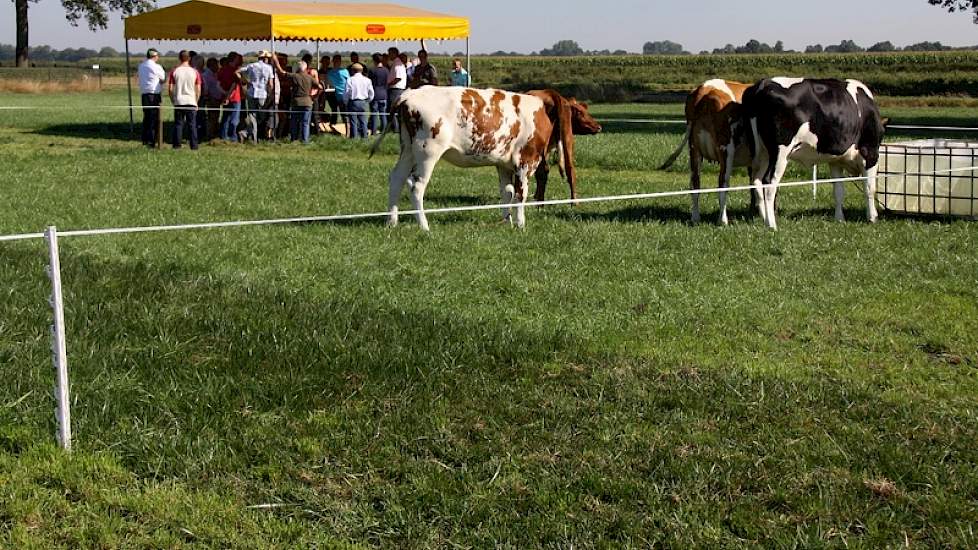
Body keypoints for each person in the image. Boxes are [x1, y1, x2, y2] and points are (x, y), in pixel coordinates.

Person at [271, 55, 315, 144]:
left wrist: (276, 62)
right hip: (307, 102)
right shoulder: (310, 77)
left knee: (294, 122)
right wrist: (312, 95)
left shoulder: (295, 76)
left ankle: (294, 139)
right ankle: (305, 141)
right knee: (305, 123)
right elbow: (320, 86)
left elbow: (282, 72)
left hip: (296, 102)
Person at [168, 50, 201, 150]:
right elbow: (198, 89)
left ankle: (177, 145)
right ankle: (194, 146)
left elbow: (170, 88)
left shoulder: (174, 71)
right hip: (191, 101)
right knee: (192, 125)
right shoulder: (195, 72)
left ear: (179, 58)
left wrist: (173, 100)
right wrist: (196, 101)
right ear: (189, 58)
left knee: (178, 124)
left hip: (179, 101)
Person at [240, 51, 274, 143]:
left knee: (253, 116)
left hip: (251, 93)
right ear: (265, 58)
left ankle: (249, 135)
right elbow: (270, 84)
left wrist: (246, 81)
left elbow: (238, 71)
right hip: (262, 94)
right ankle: (252, 136)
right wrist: (270, 94)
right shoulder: (269, 68)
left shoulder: (251, 66)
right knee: (261, 116)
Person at [137, 48, 166, 146]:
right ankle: (152, 140)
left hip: (144, 94)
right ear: (155, 56)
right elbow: (163, 79)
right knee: (154, 118)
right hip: (154, 94)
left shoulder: (141, 66)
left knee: (146, 117)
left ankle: (145, 139)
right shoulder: (157, 67)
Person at [217, 52, 243, 141]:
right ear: (234, 59)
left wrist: (224, 94)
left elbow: (218, 84)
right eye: (237, 58)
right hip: (235, 97)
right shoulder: (235, 71)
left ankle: (223, 135)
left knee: (225, 117)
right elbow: (234, 85)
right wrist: (228, 95)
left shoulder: (222, 70)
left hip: (225, 97)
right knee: (234, 119)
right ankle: (233, 137)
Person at [345, 63, 374, 139]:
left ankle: (354, 138)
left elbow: (347, 92)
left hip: (353, 102)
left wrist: (345, 101)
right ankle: (365, 137)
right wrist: (368, 100)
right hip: (363, 102)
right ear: (362, 70)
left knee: (353, 122)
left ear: (352, 71)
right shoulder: (367, 80)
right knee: (363, 121)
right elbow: (371, 93)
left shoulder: (350, 79)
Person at [201, 57, 225, 140]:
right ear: (212, 65)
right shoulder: (206, 75)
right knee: (212, 117)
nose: (218, 67)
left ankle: (213, 133)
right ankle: (210, 135)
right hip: (212, 99)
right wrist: (209, 97)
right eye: (216, 65)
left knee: (215, 116)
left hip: (216, 98)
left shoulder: (214, 74)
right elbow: (206, 88)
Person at [326, 55, 350, 131]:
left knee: (334, 111)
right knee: (344, 114)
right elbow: (349, 82)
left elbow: (328, 83)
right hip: (343, 95)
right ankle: (347, 130)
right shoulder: (345, 71)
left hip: (334, 94)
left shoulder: (330, 72)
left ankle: (333, 125)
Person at [368, 53, 389, 135]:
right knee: (383, 114)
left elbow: (370, 83)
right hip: (384, 94)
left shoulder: (372, 70)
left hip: (375, 94)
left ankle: (373, 131)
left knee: (374, 115)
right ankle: (384, 131)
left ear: (374, 60)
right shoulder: (386, 70)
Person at [387, 49, 407, 131]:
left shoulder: (397, 64)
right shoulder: (397, 63)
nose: (389, 55)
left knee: (393, 109)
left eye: (390, 53)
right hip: (397, 89)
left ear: (394, 54)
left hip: (396, 89)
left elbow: (398, 78)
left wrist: (389, 84)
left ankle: (396, 128)